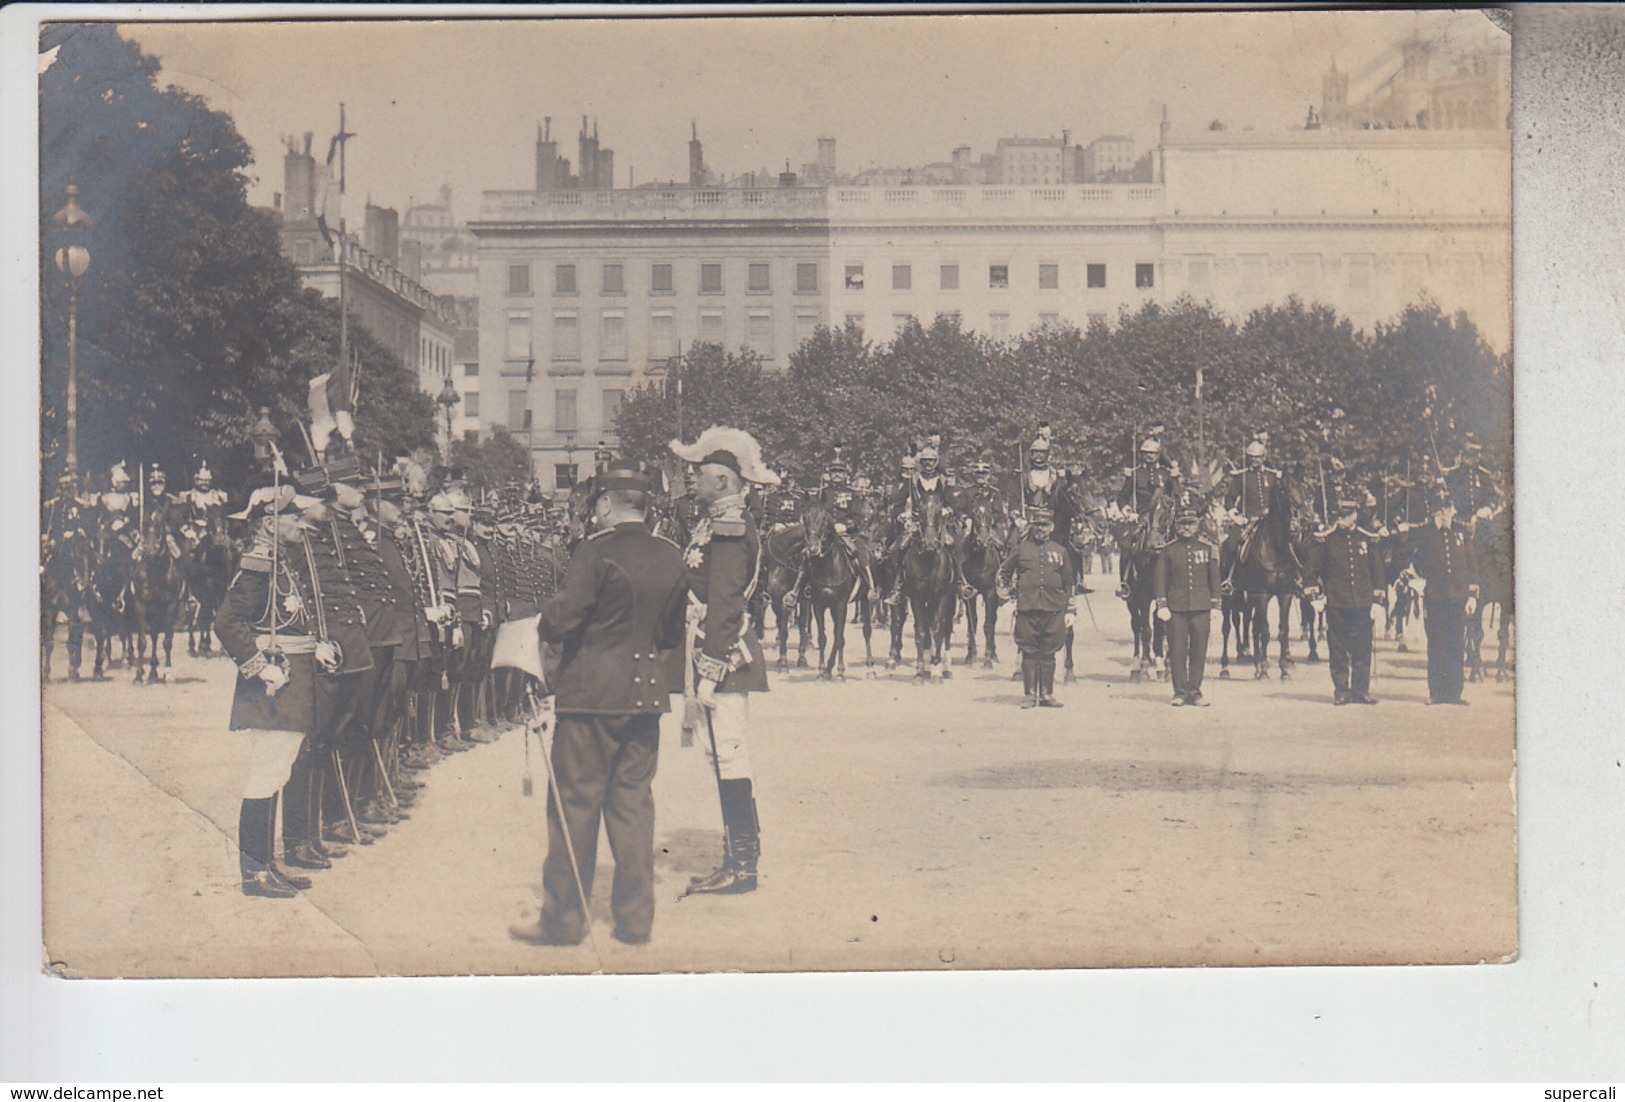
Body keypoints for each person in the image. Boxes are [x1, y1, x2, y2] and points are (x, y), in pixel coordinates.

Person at [508, 459, 688, 948]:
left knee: (574, 806)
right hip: (645, 697)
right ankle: (635, 922)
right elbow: (671, 633)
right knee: (633, 808)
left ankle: (564, 921)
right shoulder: (672, 556)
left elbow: (564, 619)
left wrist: (541, 620)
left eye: (596, 506)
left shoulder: (594, 552)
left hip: (590, 699)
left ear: (606, 504)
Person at [215, 482, 349, 897]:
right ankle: (254, 873)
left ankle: (267, 867)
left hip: (293, 679)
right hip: (275, 687)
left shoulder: (280, 563)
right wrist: (259, 668)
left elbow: (287, 620)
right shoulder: (258, 565)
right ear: (271, 522)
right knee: (264, 775)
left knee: (277, 773)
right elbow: (227, 623)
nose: (299, 521)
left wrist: (316, 646)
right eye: (292, 516)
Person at [669, 425, 780, 896]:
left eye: (700, 475)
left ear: (724, 482)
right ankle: (740, 857)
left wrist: (711, 670)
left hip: (725, 657)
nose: (692, 481)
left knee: (729, 754)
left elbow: (726, 601)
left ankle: (741, 866)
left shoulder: (729, 527)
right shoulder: (714, 521)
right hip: (713, 651)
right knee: (723, 755)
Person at [1302, 493, 1386, 705]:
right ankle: (1341, 691)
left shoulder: (1366, 538)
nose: (1341, 518)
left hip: (1362, 603)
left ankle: (1361, 691)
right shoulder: (1327, 540)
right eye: (1339, 514)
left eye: (1346, 514)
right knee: (1338, 648)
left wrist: (1377, 600)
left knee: (1362, 647)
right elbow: (1311, 570)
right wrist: (1315, 596)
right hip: (1337, 603)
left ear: (1355, 515)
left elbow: (1377, 571)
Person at [1405, 488, 1479, 705]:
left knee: (1456, 644)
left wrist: (1472, 595)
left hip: (1457, 598)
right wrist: (1415, 580)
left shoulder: (1461, 532)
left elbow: (1471, 565)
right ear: (1438, 512)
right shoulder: (1425, 533)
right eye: (1446, 509)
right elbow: (1409, 559)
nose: (1450, 513)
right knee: (1436, 645)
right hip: (1435, 598)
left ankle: (1454, 692)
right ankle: (1436, 692)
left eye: (1451, 508)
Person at [996, 507, 1074, 708]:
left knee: (1049, 651)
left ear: (1052, 527)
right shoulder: (1021, 549)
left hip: (1053, 608)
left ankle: (1047, 695)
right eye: (1037, 525)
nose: (1041, 529)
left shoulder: (1060, 551)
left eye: (1045, 525)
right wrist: (1006, 597)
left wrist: (1070, 610)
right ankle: (1030, 695)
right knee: (1028, 651)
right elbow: (1004, 572)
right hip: (1027, 608)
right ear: (1031, 527)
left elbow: (1069, 582)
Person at [1152, 503, 1222, 706]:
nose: (1187, 528)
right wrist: (1161, 604)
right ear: (1176, 526)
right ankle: (1180, 692)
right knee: (1177, 650)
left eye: (1191, 524)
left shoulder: (1207, 549)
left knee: (1199, 650)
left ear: (1197, 525)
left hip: (1201, 608)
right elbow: (1160, 579)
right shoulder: (1168, 550)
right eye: (1182, 524)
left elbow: (1215, 580)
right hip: (1176, 609)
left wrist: (1216, 605)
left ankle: (1195, 691)